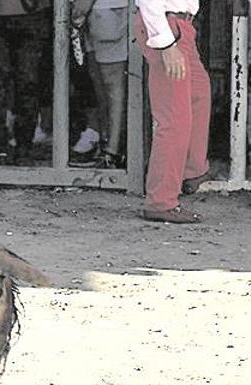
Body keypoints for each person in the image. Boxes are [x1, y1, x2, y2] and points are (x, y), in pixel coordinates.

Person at [135, 0, 211, 223]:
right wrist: (166, 45)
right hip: (168, 27)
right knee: (174, 119)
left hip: (179, 26)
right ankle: (161, 201)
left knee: (199, 94)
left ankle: (191, 170)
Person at [0, 0, 53, 167]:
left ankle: (19, 147)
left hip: (28, 14)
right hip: (0, 15)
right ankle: (3, 147)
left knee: (26, 84)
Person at [71, 0, 128, 169]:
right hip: (103, 10)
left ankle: (113, 150)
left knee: (111, 84)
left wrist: (80, 7)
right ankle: (109, 146)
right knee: (104, 84)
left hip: (107, 9)